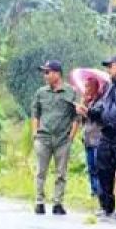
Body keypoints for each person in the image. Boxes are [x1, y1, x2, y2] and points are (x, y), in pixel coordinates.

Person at [30, 60, 80, 215]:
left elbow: (76, 116)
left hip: (62, 139)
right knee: (41, 171)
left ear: (57, 74)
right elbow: (35, 114)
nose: (45, 75)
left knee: (61, 172)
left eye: (48, 72)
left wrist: (71, 136)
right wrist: (35, 133)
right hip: (43, 137)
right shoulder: (41, 92)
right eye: (44, 72)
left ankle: (58, 202)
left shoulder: (71, 92)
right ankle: (39, 201)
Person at [87, 55, 116, 216]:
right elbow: (102, 107)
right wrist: (89, 111)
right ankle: (106, 205)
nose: (108, 70)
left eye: (110, 66)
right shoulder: (108, 86)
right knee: (103, 169)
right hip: (106, 132)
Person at [80, 77, 104, 200]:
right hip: (88, 139)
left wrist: (87, 110)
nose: (86, 89)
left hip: (97, 138)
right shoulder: (88, 101)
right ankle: (94, 191)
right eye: (85, 86)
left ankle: (100, 191)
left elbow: (97, 116)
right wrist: (83, 104)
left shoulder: (101, 101)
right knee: (90, 167)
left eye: (88, 86)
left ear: (94, 87)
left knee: (97, 166)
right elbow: (84, 120)